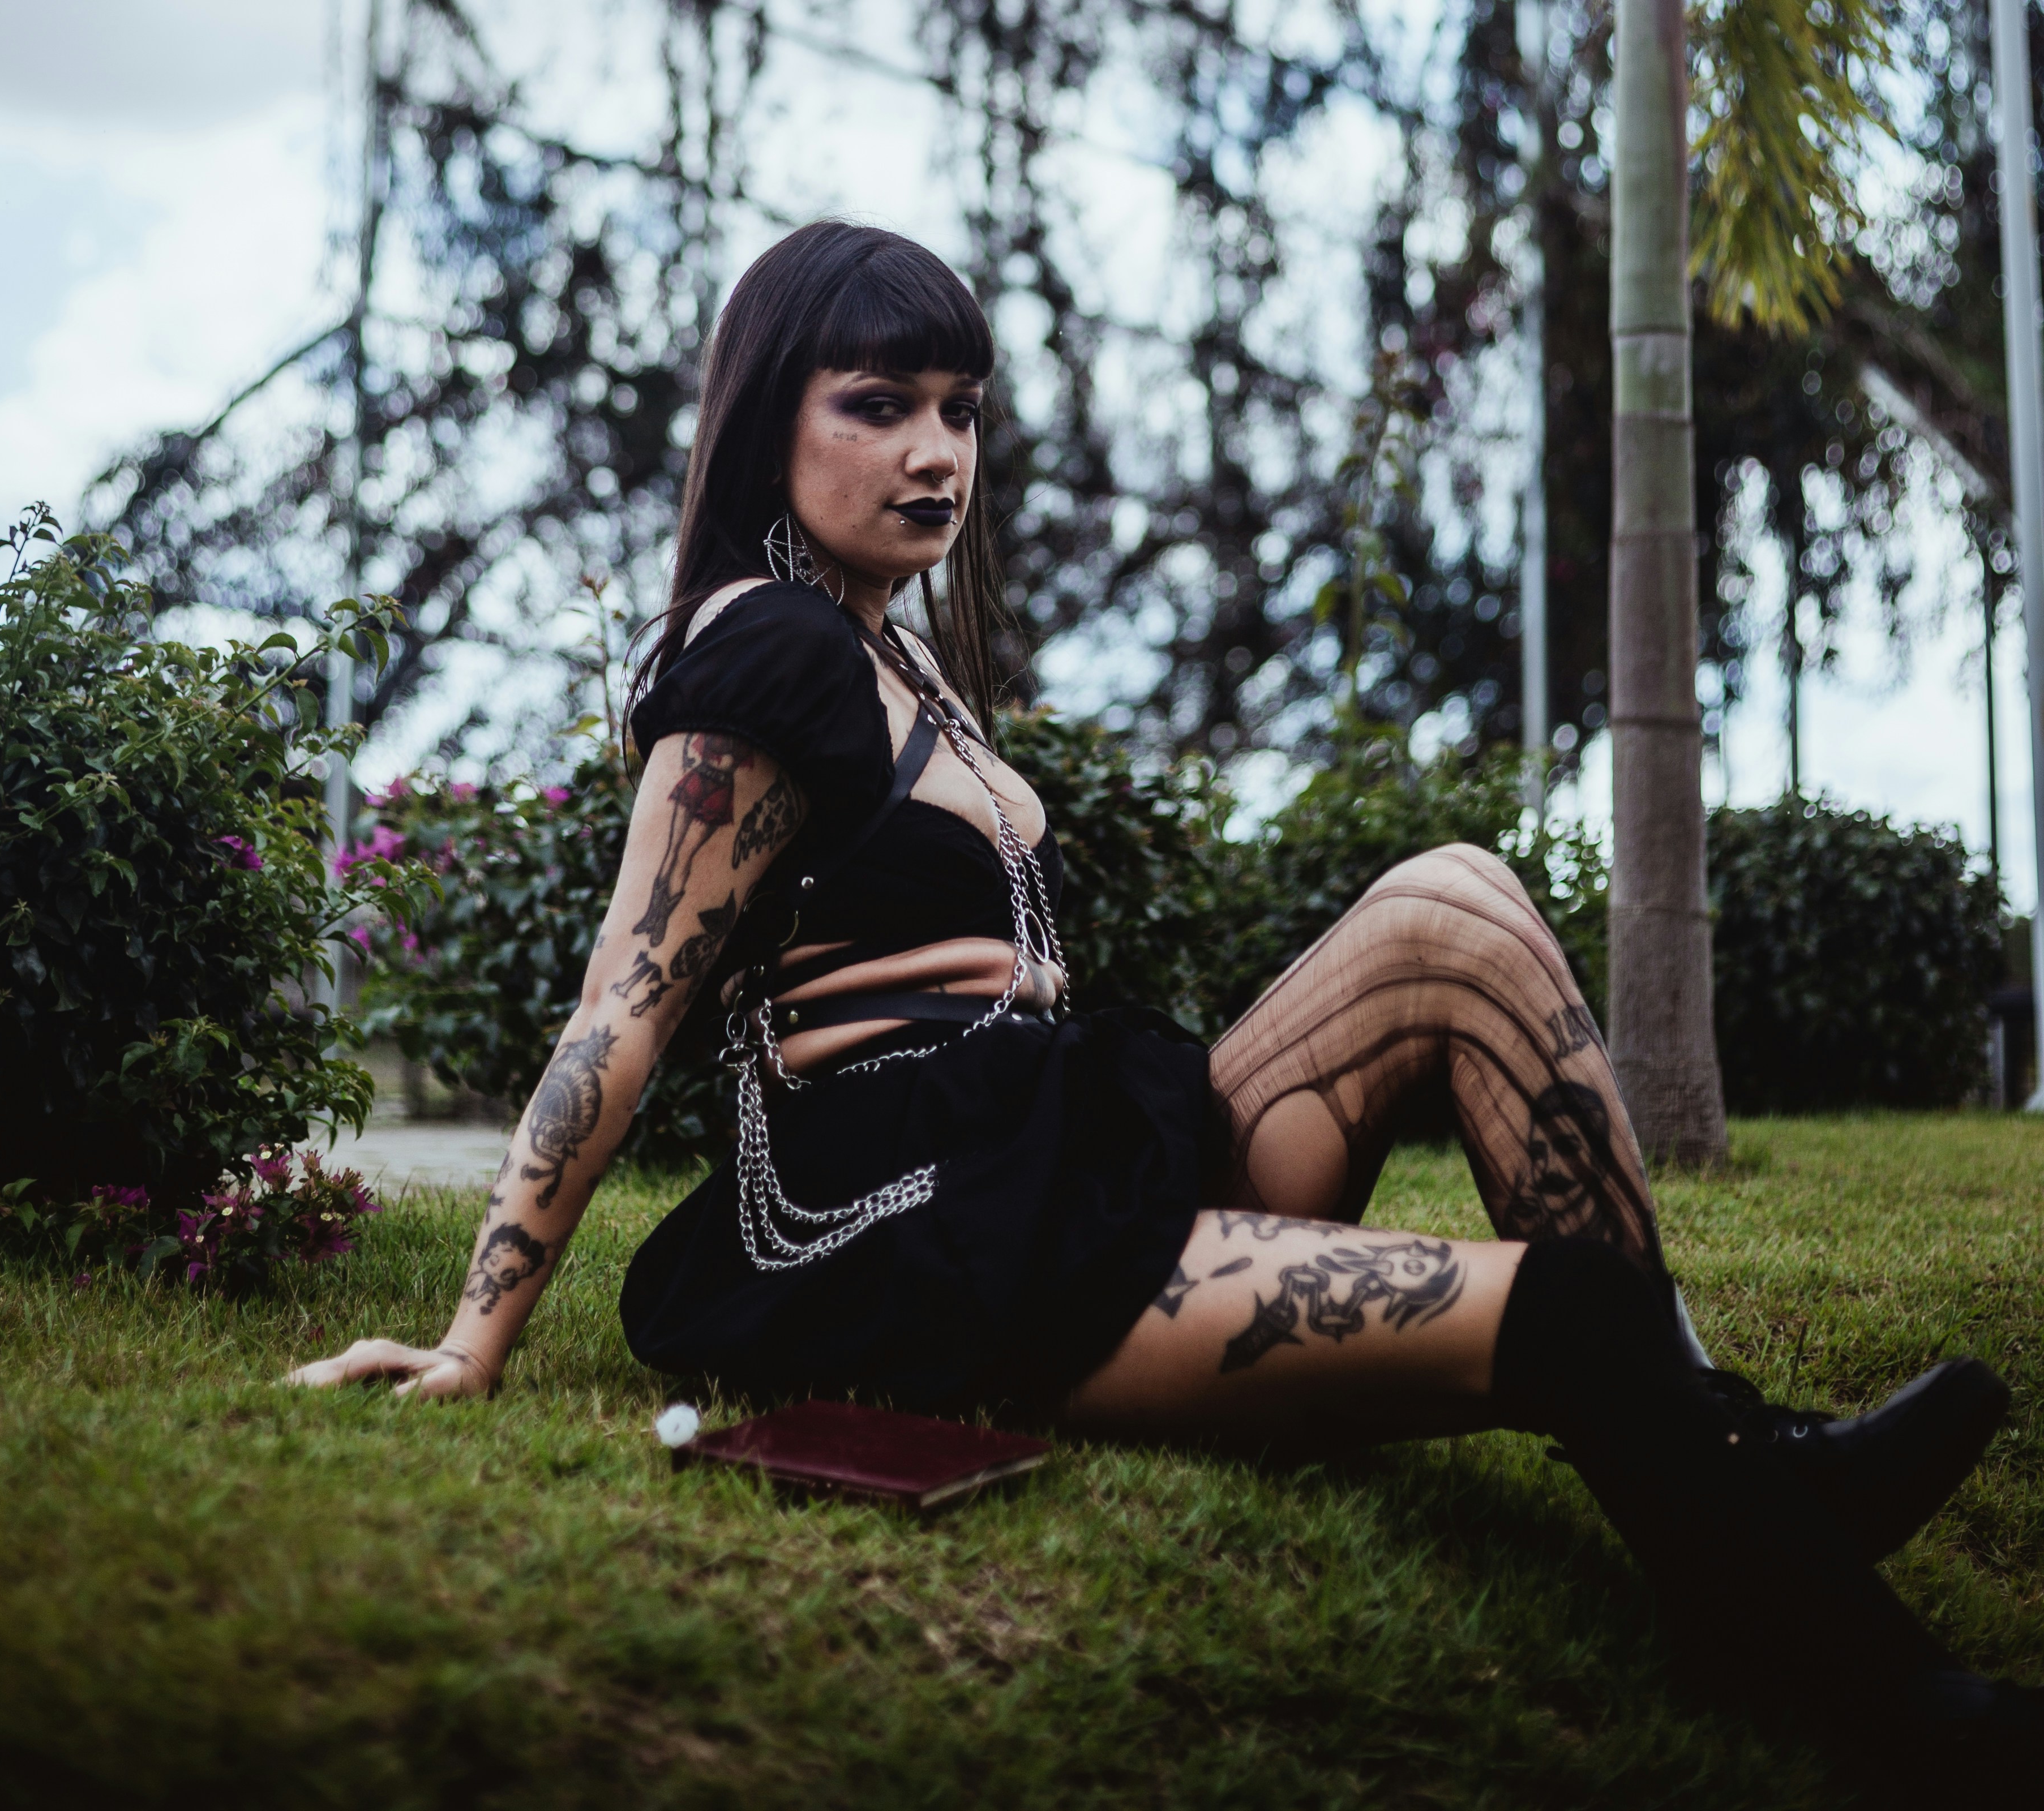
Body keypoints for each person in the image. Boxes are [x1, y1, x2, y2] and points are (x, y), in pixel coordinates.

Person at [296, 222, 2032, 1766]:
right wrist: (474, 1341)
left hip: (1049, 1151)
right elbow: (630, 1001)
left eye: (961, 411)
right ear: (774, 421)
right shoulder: (763, 645)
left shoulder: (891, 643)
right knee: (1562, 1320)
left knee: (1457, 901)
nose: (935, 452)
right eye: (879, 404)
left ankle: (1734, 1448)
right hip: (915, 1228)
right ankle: (1823, 1655)